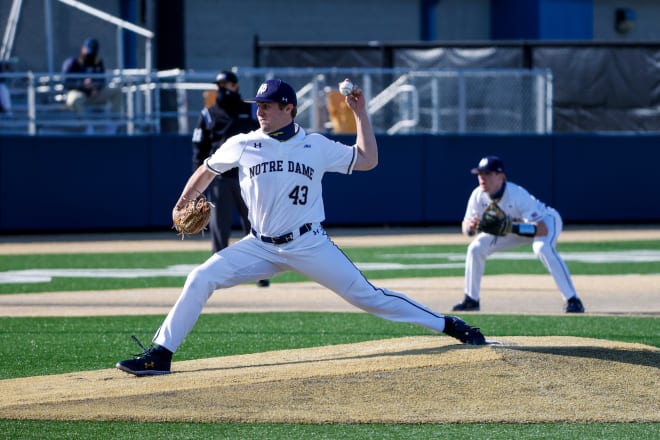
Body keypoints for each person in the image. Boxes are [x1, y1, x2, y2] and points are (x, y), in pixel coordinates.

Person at [116, 78, 488, 376]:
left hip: (309, 244)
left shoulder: (316, 145)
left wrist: (360, 115)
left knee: (367, 296)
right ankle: (160, 354)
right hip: (258, 246)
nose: (259, 111)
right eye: (257, 106)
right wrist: (183, 200)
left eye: (267, 106)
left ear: (288, 109)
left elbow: (367, 161)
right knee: (200, 277)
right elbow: (206, 171)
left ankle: (448, 324)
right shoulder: (244, 144)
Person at [453, 155, 585, 314]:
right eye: (480, 174)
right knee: (476, 248)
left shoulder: (516, 194)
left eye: (487, 173)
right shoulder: (478, 195)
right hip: (513, 229)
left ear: (500, 176)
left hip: (547, 220)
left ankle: (573, 299)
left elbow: (541, 229)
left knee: (542, 248)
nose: (482, 177)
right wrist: (471, 228)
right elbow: (465, 226)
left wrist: (509, 227)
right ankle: (471, 300)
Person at [192, 71, 269, 287]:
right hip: (220, 179)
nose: (222, 89)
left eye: (226, 85)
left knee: (255, 226)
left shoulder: (251, 110)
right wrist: (198, 188)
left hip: (249, 177)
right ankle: (218, 275)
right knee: (220, 230)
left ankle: (261, 273)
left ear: (235, 86)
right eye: (219, 85)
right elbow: (199, 150)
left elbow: (265, 140)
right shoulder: (208, 114)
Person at [61, 38, 122, 116]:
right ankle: (87, 126)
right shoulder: (72, 62)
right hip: (78, 92)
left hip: (95, 93)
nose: (90, 56)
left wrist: (96, 87)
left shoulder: (98, 62)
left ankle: (113, 124)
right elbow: (66, 81)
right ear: (83, 49)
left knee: (117, 91)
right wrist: (82, 84)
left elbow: (102, 80)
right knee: (74, 100)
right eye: (88, 53)